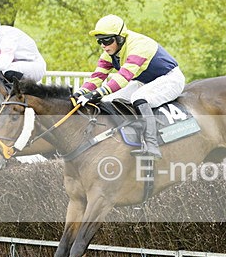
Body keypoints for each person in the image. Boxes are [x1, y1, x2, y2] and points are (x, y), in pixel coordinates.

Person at [72, 14, 185, 159]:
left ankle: (152, 145)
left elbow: (123, 77)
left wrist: (96, 93)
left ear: (120, 38)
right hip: (146, 82)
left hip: (170, 79)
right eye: (99, 41)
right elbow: (97, 77)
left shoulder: (138, 45)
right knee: (108, 100)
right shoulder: (109, 53)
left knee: (139, 97)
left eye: (107, 40)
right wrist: (79, 93)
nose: (103, 45)